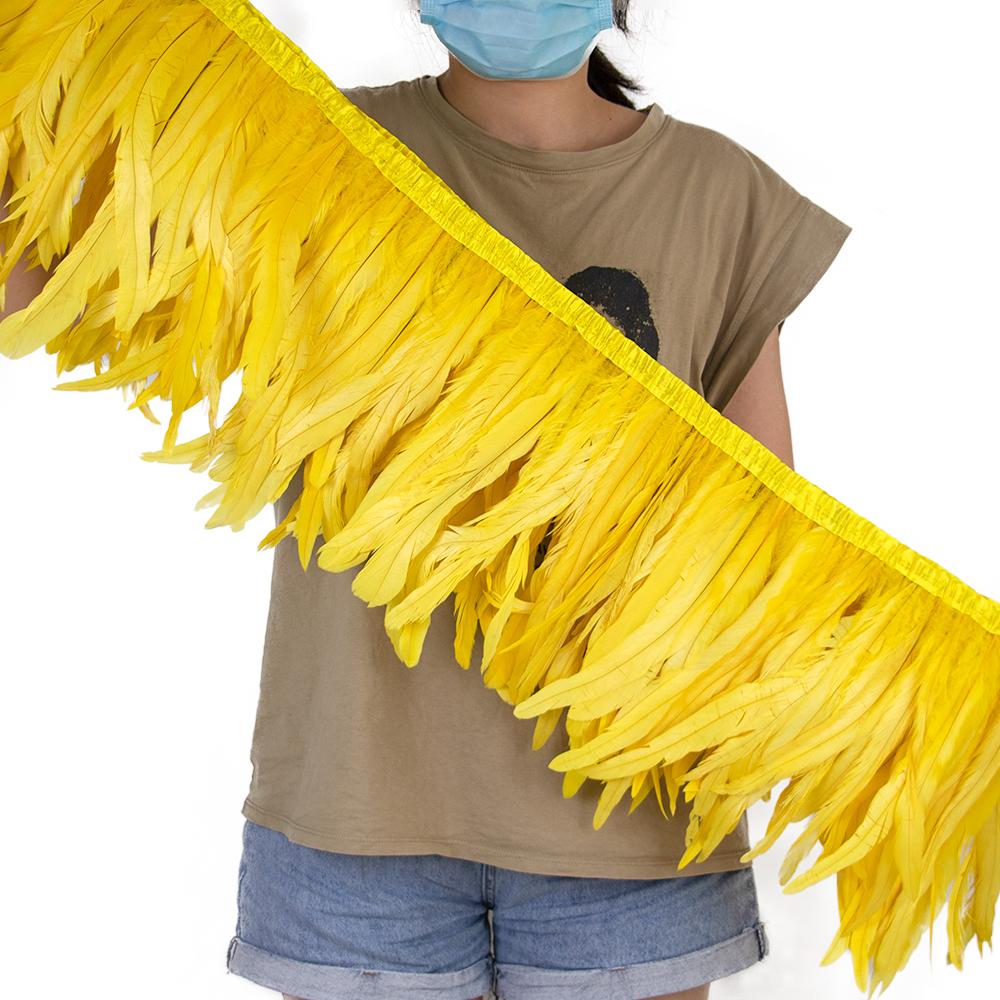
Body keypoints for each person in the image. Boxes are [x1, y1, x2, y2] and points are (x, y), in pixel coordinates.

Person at [0, 3, 848, 999]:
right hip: (356, 817)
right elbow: (37, 281)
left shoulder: (720, 193)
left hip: (627, 837)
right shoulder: (314, 153)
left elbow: (766, 534)